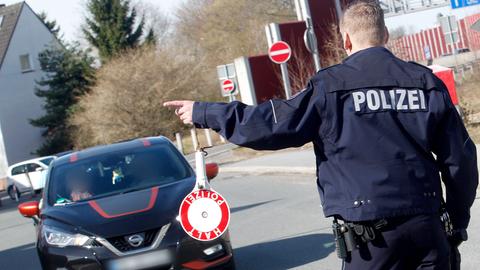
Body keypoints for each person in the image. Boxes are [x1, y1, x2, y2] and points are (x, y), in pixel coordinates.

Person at [164, 2, 478, 269]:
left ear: (346, 40)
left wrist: (206, 112)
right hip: (428, 230)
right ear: (384, 35)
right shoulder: (424, 82)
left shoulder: (330, 87)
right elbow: (460, 159)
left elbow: (270, 124)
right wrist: (456, 223)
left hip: (371, 241)